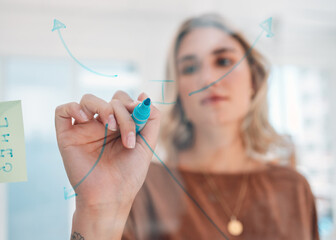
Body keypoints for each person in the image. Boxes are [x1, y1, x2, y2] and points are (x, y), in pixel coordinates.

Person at [55, 14, 319, 240]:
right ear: (180, 93)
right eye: (190, 67)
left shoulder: (294, 188)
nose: (207, 77)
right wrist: (95, 207)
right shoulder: (139, 185)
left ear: (254, 80)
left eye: (224, 61)